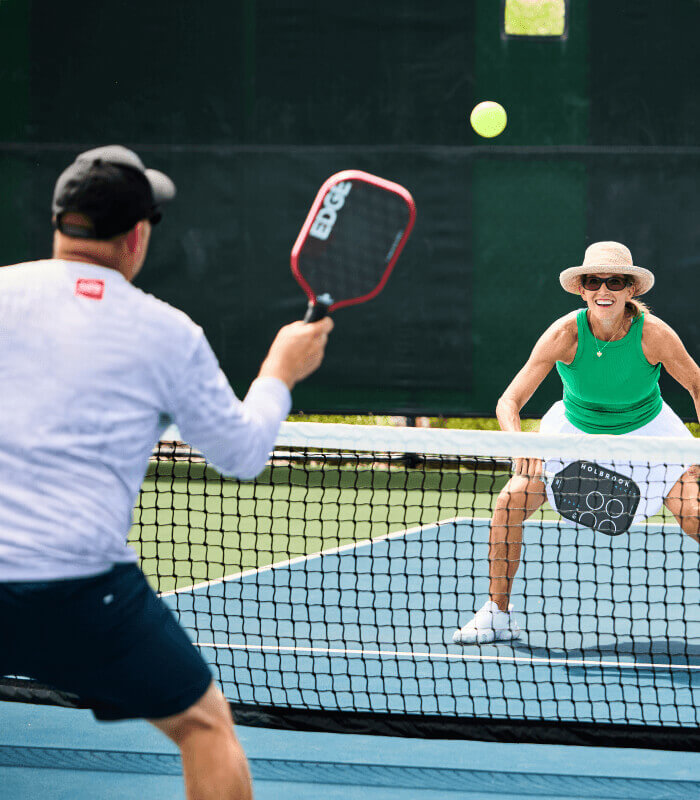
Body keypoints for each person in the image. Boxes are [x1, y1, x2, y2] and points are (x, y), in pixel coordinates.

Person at [0, 145, 333, 800]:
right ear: (138, 236)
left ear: (60, 220)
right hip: (83, 593)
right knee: (206, 729)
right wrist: (278, 374)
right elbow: (241, 455)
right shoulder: (167, 331)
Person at [453, 241, 700, 645]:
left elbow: (696, 384)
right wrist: (522, 446)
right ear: (582, 289)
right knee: (509, 502)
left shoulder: (653, 335)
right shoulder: (565, 333)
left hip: (649, 433)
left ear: (630, 290)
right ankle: (497, 613)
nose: (604, 290)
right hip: (574, 433)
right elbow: (509, 401)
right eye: (593, 281)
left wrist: (696, 451)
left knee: (695, 516)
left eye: (614, 281)